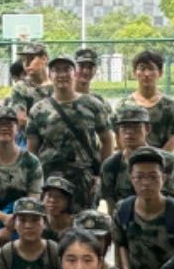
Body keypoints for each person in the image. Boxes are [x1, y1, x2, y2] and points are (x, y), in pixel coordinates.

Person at [27, 54, 113, 214]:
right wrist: (35, 181)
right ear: (50, 75)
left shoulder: (93, 105)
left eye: (67, 69)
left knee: (84, 222)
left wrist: (100, 174)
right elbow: (32, 149)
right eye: (56, 70)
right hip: (50, 180)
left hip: (83, 179)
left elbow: (107, 140)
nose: (62, 74)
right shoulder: (38, 110)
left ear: (75, 73)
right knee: (51, 221)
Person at [113, 147, 174, 269]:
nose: (146, 183)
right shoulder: (123, 209)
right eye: (139, 177)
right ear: (131, 179)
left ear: (163, 178)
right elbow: (121, 246)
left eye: (153, 177)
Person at [101, 103, 174, 210]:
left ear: (147, 129)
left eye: (135, 127)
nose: (129, 132)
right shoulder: (111, 165)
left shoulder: (167, 161)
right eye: (124, 127)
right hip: (125, 218)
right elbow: (111, 206)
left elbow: (170, 202)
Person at [128, 49, 174, 151]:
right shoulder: (125, 105)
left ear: (160, 72)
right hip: (132, 159)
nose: (146, 74)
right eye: (142, 68)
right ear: (134, 73)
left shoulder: (171, 106)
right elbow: (120, 138)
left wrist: (157, 159)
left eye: (151, 68)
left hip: (163, 159)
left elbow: (173, 138)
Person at [8, 41, 53, 118]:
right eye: (24, 59)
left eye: (31, 59)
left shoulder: (58, 84)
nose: (27, 63)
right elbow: (20, 119)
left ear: (44, 59)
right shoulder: (21, 87)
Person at [71, 47, 112, 121]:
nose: (85, 71)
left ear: (95, 70)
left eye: (90, 67)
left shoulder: (101, 102)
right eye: (81, 66)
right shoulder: (63, 98)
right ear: (73, 68)